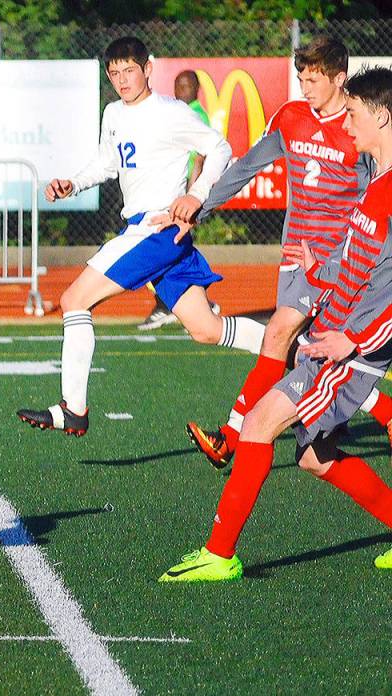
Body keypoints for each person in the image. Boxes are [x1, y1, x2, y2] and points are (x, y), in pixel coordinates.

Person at [160, 66, 392, 582]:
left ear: (381, 115)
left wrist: (351, 341)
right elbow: (360, 261)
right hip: (337, 335)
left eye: (353, 114)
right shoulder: (378, 181)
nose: (345, 126)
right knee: (314, 456)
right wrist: (319, 270)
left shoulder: (387, 188)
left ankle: (219, 554)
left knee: (260, 423)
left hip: (349, 348)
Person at [16, 36, 264, 437]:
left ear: (148, 69)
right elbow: (106, 164)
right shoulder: (113, 112)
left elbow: (219, 147)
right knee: (205, 328)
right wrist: (73, 184)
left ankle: (73, 408)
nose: (122, 79)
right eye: (114, 73)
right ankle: (289, 349)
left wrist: (195, 195)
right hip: (150, 231)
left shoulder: (170, 112)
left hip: (155, 230)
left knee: (73, 300)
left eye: (129, 70)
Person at [177, 37, 392, 469]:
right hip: (296, 259)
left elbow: (377, 198)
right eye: (300, 78)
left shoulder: (359, 131)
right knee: (305, 355)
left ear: (339, 79)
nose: (305, 87)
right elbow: (246, 167)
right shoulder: (290, 117)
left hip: (340, 264)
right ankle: (373, 412)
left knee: (279, 332)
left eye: (314, 79)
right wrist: (199, 205)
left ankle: (233, 435)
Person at [137, 69, 219, 331]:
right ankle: (196, 304)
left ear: (196, 89)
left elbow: (200, 157)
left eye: (186, 87)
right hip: (172, 191)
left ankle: (168, 303)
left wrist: (192, 194)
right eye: (177, 87)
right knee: (172, 248)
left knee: (158, 245)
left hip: (181, 194)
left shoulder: (194, 114)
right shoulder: (176, 113)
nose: (180, 92)